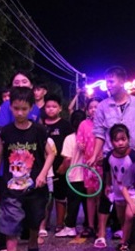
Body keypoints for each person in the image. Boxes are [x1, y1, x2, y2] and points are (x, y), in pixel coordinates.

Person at [0, 86, 55, 251]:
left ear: (31, 109)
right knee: (10, 223)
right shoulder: (6, 132)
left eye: (24, 109)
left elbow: (51, 153)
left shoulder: (38, 130)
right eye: (16, 108)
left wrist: (43, 174)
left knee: (35, 219)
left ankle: (33, 243)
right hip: (11, 187)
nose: (20, 113)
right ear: (10, 107)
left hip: (35, 187)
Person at [0, 73, 41, 251]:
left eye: (24, 81)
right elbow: (2, 131)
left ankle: (26, 240)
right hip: (8, 159)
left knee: (30, 207)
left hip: (28, 163)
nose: (20, 84)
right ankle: (2, 243)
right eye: (16, 82)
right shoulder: (6, 106)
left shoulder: (36, 109)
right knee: (4, 204)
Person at [88, 66, 135, 166]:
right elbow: (99, 134)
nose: (108, 85)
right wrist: (94, 155)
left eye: (111, 82)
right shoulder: (102, 107)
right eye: (107, 82)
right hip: (111, 158)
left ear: (122, 81)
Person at [95, 124, 135, 251]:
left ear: (128, 139)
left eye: (123, 139)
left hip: (131, 192)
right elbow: (108, 172)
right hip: (118, 192)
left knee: (129, 216)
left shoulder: (134, 156)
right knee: (121, 219)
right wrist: (108, 185)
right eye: (117, 140)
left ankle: (123, 243)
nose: (120, 143)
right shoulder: (109, 156)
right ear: (111, 141)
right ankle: (128, 237)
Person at [42, 94, 73, 235]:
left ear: (60, 108)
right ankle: (44, 224)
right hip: (43, 168)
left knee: (60, 197)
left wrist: (65, 165)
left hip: (61, 167)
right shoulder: (39, 124)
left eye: (54, 107)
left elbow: (71, 146)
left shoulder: (66, 126)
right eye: (48, 106)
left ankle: (60, 224)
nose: (51, 109)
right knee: (45, 197)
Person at [56, 110, 88, 238]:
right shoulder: (90, 137)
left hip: (74, 176)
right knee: (87, 203)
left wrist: (60, 170)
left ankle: (70, 227)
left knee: (73, 203)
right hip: (88, 176)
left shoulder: (70, 138)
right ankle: (89, 226)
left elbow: (67, 159)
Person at [76, 98, 100, 238]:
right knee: (90, 195)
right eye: (91, 107)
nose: (93, 110)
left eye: (96, 107)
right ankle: (90, 225)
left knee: (102, 196)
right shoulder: (83, 124)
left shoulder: (106, 123)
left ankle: (101, 225)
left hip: (102, 164)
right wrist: (81, 146)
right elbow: (80, 141)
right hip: (88, 165)